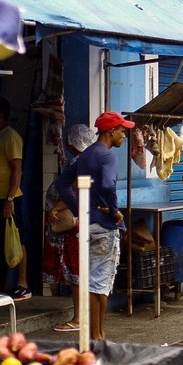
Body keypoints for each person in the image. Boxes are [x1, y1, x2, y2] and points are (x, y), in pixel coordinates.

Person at [53, 112, 133, 340]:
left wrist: (79, 209)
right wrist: (115, 210)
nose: (124, 136)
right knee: (101, 281)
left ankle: (92, 334)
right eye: (122, 131)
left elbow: (62, 183)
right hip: (104, 226)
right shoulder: (107, 156)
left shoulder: (84, 156)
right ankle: (98, 335)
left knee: (89, 279)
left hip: (86, 225)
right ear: (111, 132)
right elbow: (108, 185)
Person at [45, 124, 96, 333]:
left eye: (68, 139)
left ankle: (78, 319)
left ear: (74, 142)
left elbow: (75, 191)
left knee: (76, 271)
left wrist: (56, 208)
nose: (66, 142)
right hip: (84, 219)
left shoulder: (80, 163)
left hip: (75, 223)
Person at [0, 97, 30, 301]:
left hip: (7, 199)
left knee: (16, 241)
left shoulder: (11, 137)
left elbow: (17, 169)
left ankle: (22, 283)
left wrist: (9, 198)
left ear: (0, 114)